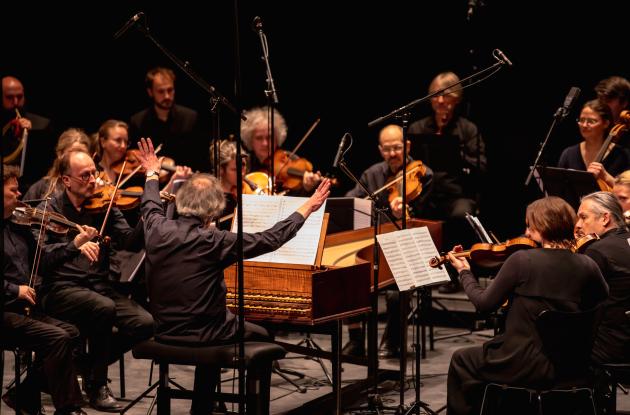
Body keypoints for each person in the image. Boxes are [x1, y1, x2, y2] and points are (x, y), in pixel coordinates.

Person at [135, 137, 331, 415]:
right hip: (206, 334)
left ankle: (202, 406)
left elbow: (150, 203)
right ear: (213, 210)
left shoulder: (156, 228)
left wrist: (152, 171)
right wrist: (308, 206)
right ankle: (253, 409)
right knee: (263, 335)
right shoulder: (213, 239)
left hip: (165, 330)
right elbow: (271, 239)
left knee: (216, 322)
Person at [445, 196, 608, 415]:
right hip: (571, 364)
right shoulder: (587, 264)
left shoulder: (523, 260)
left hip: (521, 362)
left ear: (541, 226)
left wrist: (464, 272)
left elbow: (484, 304)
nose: (527, 231)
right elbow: (599, 301)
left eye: (530, 225)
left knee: (461, 359)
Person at [35, 150, 154, 412]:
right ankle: (98, 384)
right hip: (59, 289)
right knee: (103, 307)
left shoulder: (105, 204)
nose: (94, 180)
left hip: (99, 287)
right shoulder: (49, 208)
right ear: (66, 180)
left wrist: (148, 214)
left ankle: (83, 368)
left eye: (94, 172)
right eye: (85, 175)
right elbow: (40, 259)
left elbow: (130, 242)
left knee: (144, 324)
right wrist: (74, 245)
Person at [3, 164, 94, 415]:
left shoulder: (19, 226)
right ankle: (68, 408)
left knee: (72, 333)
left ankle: (23, 395)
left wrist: (74, 244)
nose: (20, 195)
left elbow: (42, 261)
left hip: (24, 309)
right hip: (6, 310)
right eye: (13, 190)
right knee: (57, 337)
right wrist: (14, 290)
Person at [343, 124, 434, 358]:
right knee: (347, 273)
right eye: (387, 149)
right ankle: (355, 339)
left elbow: (425, 212)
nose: (392, 154)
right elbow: (351, 202)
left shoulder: (424, 174)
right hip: (375, 245)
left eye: (397, 148)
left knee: (395, 293)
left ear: (408, 146)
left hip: (407, 246)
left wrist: (404, 211)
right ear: (380, 150)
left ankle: (392, 340)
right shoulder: (371, 175)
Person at [408, 71, 487, 292]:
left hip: (456, 194)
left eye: (446, 95)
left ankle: (454, 275)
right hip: (426, 193)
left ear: (457, 98)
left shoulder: (468, 129)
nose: (440, 101)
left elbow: (480, 167)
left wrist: (455, 152)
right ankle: (419, 277)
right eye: (435, 95)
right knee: (411, 215)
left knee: (459, 215)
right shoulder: (417, 128)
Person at [573, 191, 630, 364]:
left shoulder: (598, 250)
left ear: (605, 218)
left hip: (610, 347)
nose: (578, 225)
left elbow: (580, 301)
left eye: (583, 217)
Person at [129, 67, 209, 172]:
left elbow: (200, 156)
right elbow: (135, 159)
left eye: (170, 90)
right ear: (150, 92)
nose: (167, 96)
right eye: (161, 91)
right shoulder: (138, 121)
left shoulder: (190, 117)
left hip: (185, 182)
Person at [240, 106, 321, 195]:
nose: (265, 143)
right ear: (250, 139)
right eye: (259, 138)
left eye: (269, 137)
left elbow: (298, 199)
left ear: (277, 138)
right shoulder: (245, 163)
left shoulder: (290, 158)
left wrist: (306, 188)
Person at [558, 99, 630, 185]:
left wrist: (606, 176)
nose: (584, 125)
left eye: (591, 121)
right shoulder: (569, 154)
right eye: (582, 120)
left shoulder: (623, 155)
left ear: (606, 124)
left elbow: (627, 190)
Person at [1, 76, 56, 189]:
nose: (16, 102)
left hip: (29, 188)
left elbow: (46, 166)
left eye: (19, 97)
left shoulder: (42, 125)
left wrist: (31, 136)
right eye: (9, 97)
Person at [23, 127, 92, 202]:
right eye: (73, 152)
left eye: (82, 153)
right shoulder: (41, 187)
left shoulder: (94, 187)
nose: (78, 158)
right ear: (60, 154)